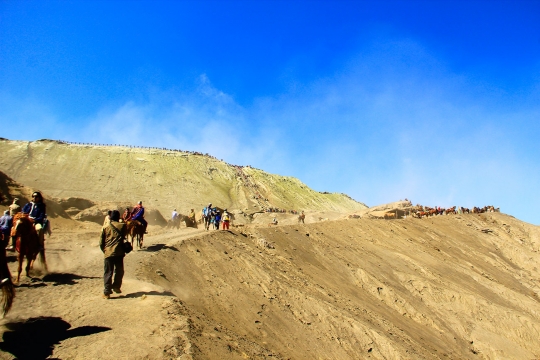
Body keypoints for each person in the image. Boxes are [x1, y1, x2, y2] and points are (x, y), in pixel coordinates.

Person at [100, 210, 127, 299]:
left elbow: (101, 242)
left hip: (108, 252)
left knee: (108, 272)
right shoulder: (122, 226)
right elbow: (125, 235)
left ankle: (107, 292)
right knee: (119, 271)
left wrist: (105, 250)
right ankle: (116, 286)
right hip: (119, 253)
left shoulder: (105, 226)